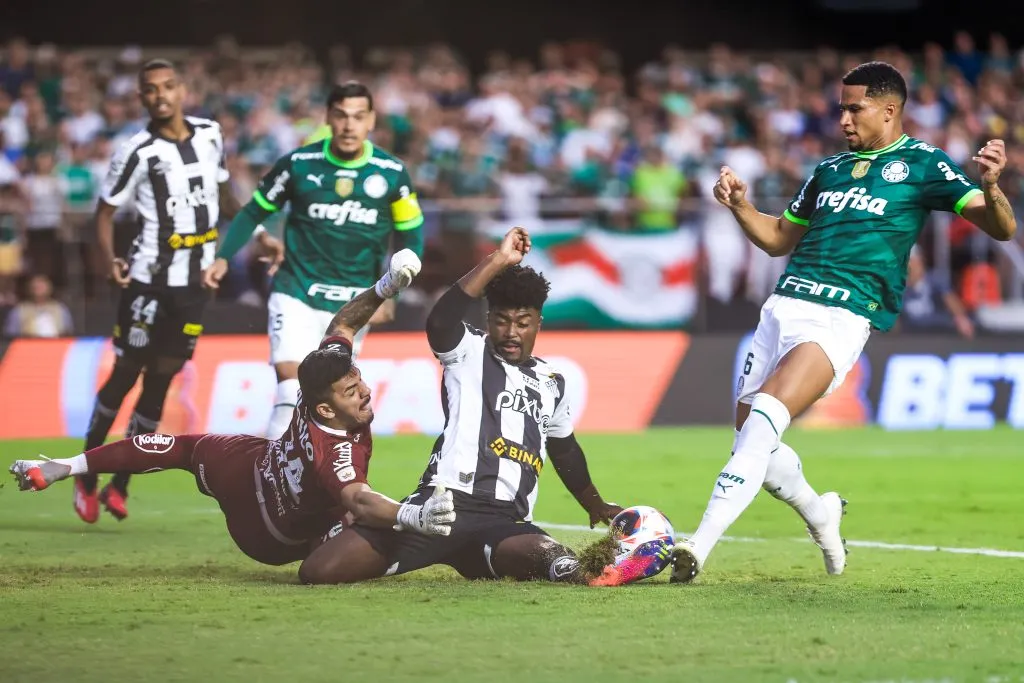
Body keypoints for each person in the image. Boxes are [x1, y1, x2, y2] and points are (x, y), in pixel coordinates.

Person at [669, 61, 1016, 584]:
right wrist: (741, 206)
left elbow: (1002, 228)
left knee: (764, 417)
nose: (845, 120)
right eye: (842, 109)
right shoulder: (827, 170)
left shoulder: (924, 164)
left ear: (889, 110)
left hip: (842, 316)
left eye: (855, 109)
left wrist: (989, 186)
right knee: (750, 441)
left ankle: (698, 546)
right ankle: (821, 513)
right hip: (781, 308)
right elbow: (781, 238)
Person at [9, 251, 457, 580]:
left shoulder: (316, 386)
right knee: (363, 519)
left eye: (358, 379)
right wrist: (412, 516)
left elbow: (342, 326)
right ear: (324, 408)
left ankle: (65, 466)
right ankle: (422, 550)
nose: (363, 391)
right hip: (275, 539)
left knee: (180, 448)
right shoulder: (337, 451)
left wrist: (385, 287)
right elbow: (358, 498)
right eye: (350, 390)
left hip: (247, 470)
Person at [297, 226, 630, 586]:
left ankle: (604, 566)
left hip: (505, 521)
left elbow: (565, 450)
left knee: (550, 558)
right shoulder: (468, 351)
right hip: (438, 507)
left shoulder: (554, 382)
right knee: (318, 572)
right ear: (488, 320)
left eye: (523, 323)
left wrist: (594, 505)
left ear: (538, 323)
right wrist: (499, 259)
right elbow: (440, 319)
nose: (511, 332)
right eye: (501, 321)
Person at [204, 81, 425, 441]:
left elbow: (412, 236)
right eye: (340, 116)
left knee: (337, 406)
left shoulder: (391, 173)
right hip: (297, 291)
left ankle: (325, 490)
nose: (349, 125)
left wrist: (392, 294)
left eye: (358, 117)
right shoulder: (299, 165)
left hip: (355, 307)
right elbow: (251, 212)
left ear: (371, 121)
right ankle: (268, 483)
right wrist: (224, 258)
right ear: (328, 118)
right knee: (291, 392)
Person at [75, 59, 242, 524]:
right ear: (142, 97)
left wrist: (254, 231)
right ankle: (86, 474)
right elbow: (104, 212)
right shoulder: (137, 150)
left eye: (169, 86)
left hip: (195, 284)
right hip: (148, 280)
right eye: (151, 90)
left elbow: (226, 197)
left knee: (160, 385)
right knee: (125, 375)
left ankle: (120, 485)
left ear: (183, 89)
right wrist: (109, 260)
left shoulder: (210, 134)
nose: (161, 95)